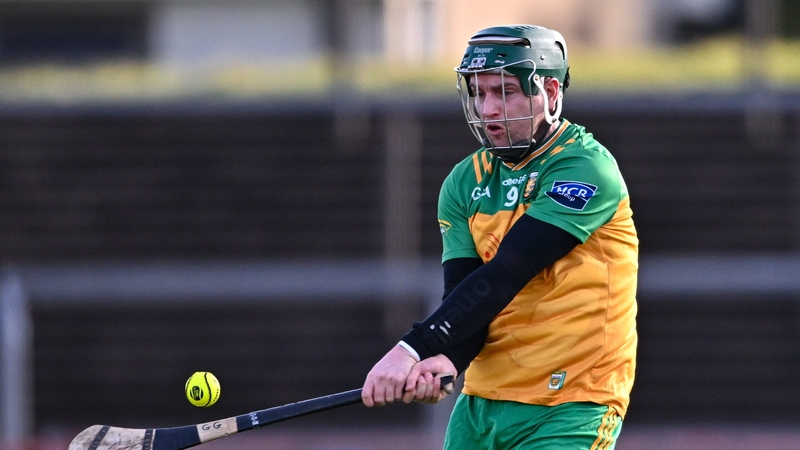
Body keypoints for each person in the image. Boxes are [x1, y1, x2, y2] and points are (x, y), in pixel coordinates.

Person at [362, 24, 638, 450]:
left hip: (570, 404)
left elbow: (508, 272)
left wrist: (411, 349)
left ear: (549, 91)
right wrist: (449, 358)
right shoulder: (464, 182)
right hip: (481, 406)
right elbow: (466, 295)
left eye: (504, 91)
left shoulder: (584, 168)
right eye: (478, 92)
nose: (487, 109)